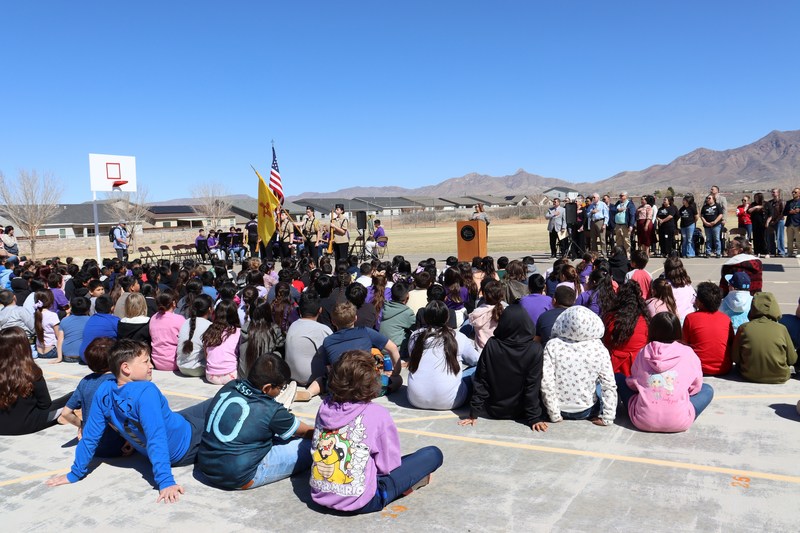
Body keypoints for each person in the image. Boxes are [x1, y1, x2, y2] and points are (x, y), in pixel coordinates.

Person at [47, 339, 212, 504]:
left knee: (208, 404)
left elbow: (90, 436)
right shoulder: (146, 391)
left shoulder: (104, 390)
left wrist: (75, 473)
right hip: (187, 442)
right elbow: (156, 437)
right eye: (146, 361)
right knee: (221, 400)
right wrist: (166, 481)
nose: (151, 365)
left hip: (179, 423)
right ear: (126, 368)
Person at [310, 350, 443, 513]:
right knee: (433, 454)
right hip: (365, 500)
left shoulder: (324, 408)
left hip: (320, 494)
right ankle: (408, 484)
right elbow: (388, 466)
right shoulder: (377, 414)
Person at [197, 352, 314, 490]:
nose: (281, 391)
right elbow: (306, 432)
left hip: (206, 466)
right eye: (281, 388)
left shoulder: (230, 386)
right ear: (267, 388)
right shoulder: (272, 410)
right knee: (308, 446)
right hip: (239, 477)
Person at [617, 312, 714, 433]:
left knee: (619, 378)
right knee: (707, 389)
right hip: (679, 422)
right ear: (678, 330)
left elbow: (633, 382)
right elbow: (696, 386)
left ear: (652, 330)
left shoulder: (644, 352)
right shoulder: (688, 352)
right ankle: (676, 411)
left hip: (642, 420)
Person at [459, 305, 545, 429]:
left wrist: (474, 413)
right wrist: (534, 417)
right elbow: (532, 386)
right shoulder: (534, 349)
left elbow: (481, 379)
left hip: (493, 410)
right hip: (521, 412)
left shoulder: (492, 345)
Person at [537, 305, 617, 431]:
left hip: (558, 409)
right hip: (587, 410)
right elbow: (609, 385)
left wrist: (554, 415)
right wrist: (608, 418)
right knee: (601, 382)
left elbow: (546, 382)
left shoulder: (552, 345)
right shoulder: (599, 348)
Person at [57, 337, 128, 456]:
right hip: (118, 446)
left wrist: (82, 425)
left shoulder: (85, 381)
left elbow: (65, 413)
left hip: (92, 447)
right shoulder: (120, 382)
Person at [407, 301, 479, 410]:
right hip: (450, 401)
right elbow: (476, 360)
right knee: (476, 367)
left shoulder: (415, 336)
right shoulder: (458, 336)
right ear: (447, 317)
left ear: (425, 318)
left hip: (415, 399)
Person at [0, 327, 73, 435]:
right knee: (74, 396)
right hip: (27, 425)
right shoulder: (31, 371)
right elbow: (45, 404)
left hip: (2, 426)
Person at [731, 292, 796, 383]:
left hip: (748, 375)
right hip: (780, 376)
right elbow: (792, 359)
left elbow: (735, 358)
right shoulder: (781, 329)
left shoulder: (743, 328)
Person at [682, 282, 733, 375]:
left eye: (696, 297)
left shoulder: (690, 318)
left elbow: (684, 343)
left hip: (698, 367)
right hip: (724, 368)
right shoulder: (726, 319)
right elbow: (730, 342)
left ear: (700, 303)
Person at [285, 291, 332, 390]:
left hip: (291, 375)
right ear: (320, 310)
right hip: (311, 380)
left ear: (300, 310)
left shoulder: (293, 325)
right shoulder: (322, 329)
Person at [603, 281, 649, 376]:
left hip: (613, 367)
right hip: (638, 367)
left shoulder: (611, 318)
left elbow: (606, 341)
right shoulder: (645, 320)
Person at [203, 299, 241, 386]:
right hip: (231, 375)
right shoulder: (238, 332)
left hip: (211, 376)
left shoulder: (210, 330)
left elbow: (206, 353)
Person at [176, 294, 213, 377]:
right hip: (197, 369)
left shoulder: (185, 322)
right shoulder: (209, 325)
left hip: (181, 367)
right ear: (210, 309)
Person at [149, 291, 186, 371]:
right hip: (175, 362)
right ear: (173, 303)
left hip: (157, 361)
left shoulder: (153, 318)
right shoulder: (179, 319)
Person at [468, 280, 507, 351]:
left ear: (484, 295)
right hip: (500, 348)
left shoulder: (477, 312)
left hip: (482, 350)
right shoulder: (505, 310)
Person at [79, 295, 119, 362]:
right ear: (112, 308)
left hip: (84, 356)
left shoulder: (91, 319)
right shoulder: (114, 320)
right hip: (99, 358)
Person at [379, 282, 416, 357]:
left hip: (382, 347)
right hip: (396, 350)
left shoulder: (385, 307)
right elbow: (416, 327)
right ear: (407, 296)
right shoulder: (407, 313)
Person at [663, 257, 696, 323]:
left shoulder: (666, 286)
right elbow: (694, 301)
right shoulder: (687, 285)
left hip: (674, 320)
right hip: (689, 317)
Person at [58, 296, 91, 363]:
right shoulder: (90, 320)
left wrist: (59, 358)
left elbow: (60, 340)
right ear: (88, 309)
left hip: (67, 356)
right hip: (83, 356)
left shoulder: (64, 320)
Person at [33, 290, 61, 361]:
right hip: (51, 351)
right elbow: (59, 337)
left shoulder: (36, 314)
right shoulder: (52, 315)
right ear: (51, 301)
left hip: (39, 351)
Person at [612, 192, 637, 256]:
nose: (620, 197)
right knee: (618, 240)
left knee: (626, 241)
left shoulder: (630, 204)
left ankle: (627, 255)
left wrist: (631, 225)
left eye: (622, 196)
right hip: (617, 225)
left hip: (625, 225)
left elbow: (632, 215)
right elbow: (612, 209)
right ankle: (620, 255)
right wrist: (618, 210)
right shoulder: (618, 203)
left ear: (626, 196)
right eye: (620, 195)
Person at [700, 193, 723, 257]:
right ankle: (708, 252)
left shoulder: (717, 206)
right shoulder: (705, 207)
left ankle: (718, 252)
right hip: (707, 226)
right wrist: (705, 222)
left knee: (717, 239)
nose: (708, 199)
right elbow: (701, 215)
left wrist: (715, 221)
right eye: (707, 198)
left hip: (716, 225)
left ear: (713, 199)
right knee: (708, 239)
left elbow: (720, 214)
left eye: (709, 198)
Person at [766, 188, 786, 257]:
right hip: (771, 222)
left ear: (778, 193)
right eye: (772, 192)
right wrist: (769, 221)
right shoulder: (770, 202)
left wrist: (775, 221)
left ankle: (781, 252)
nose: (773, 194)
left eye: (774, 192)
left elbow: (782, 213)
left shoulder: (782, 202)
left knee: (780, 237)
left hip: (779, 221)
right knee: (770, 237)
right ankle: (772, 251)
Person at [747, 192, 769, 257]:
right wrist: (756, 207)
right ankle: (757, 252)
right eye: (755, 197)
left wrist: (767, 222)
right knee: (756, 238)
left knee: (764, 238)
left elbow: (771, 214)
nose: (756, 199)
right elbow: (749, 211)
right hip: (755, 223)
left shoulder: (766, 204)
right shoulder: (753, 204)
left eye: (757, 197)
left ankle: (766, 252)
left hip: (763, 224)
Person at [784, 187, 800, 257]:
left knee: (798, 239)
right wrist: (790, 212)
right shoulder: (789, 202)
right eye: (793, 192)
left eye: (795, 192)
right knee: (789, 240)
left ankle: (799, 252)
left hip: (798, 223)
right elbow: (784, 213)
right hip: (790, 223)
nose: (793, 193)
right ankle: (790, 252)